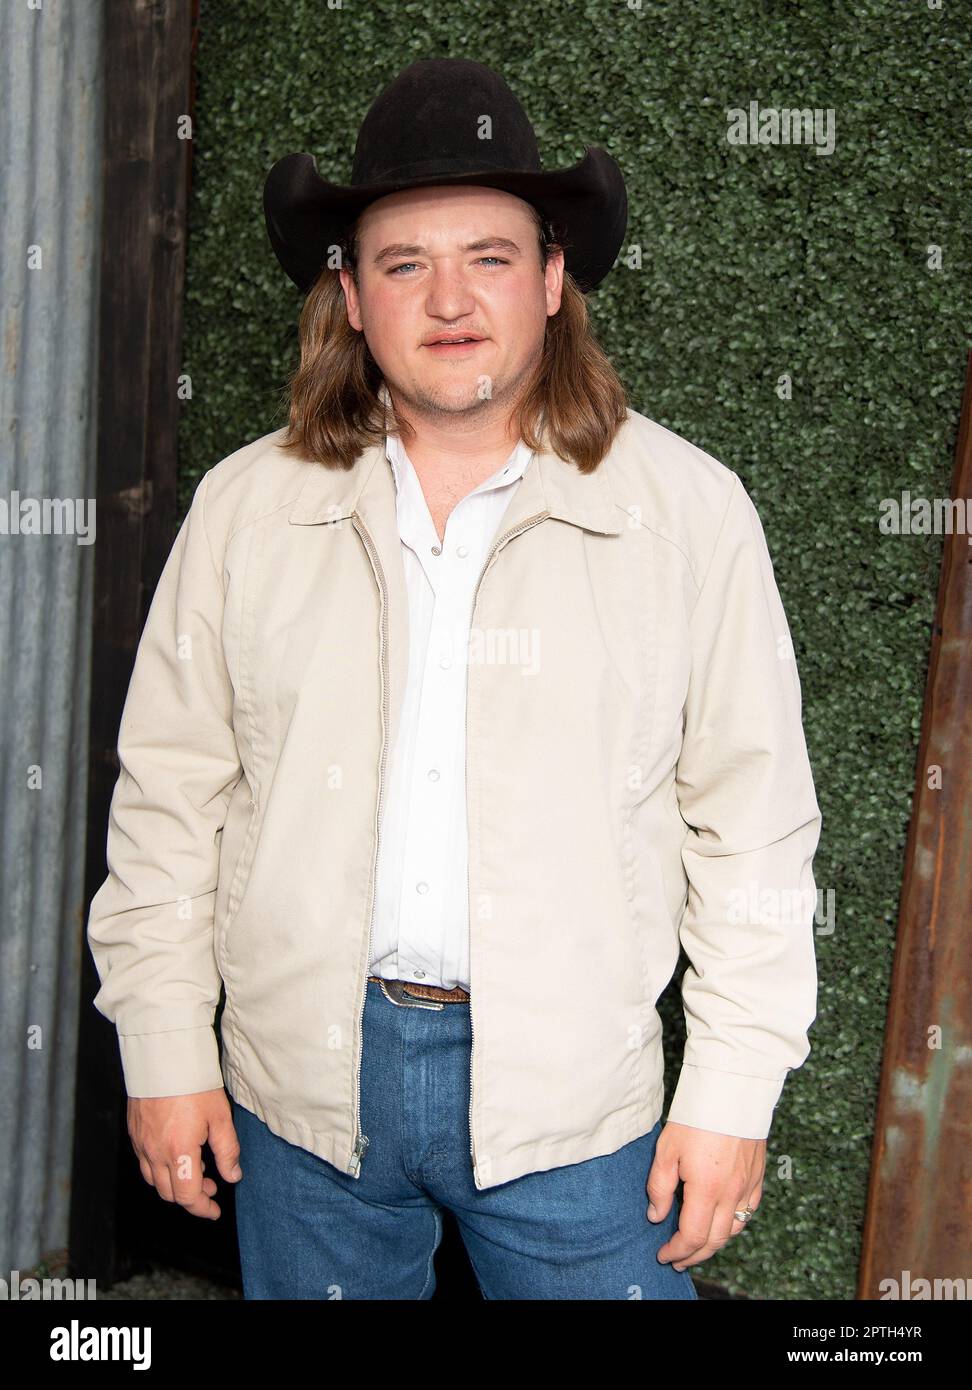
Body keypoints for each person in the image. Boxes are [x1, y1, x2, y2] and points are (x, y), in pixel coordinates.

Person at [87, 57, 822, 1301]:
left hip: (573, 1106)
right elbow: (169, 799)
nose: (450, 299)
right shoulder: (246, 508)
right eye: (403, 263)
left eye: (488, 256)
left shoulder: (688, 514)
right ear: (353, 296)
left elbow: (753, 830)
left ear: (551, 279)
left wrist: (734, 1090)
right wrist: (163, 1045)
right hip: (302, 1091)